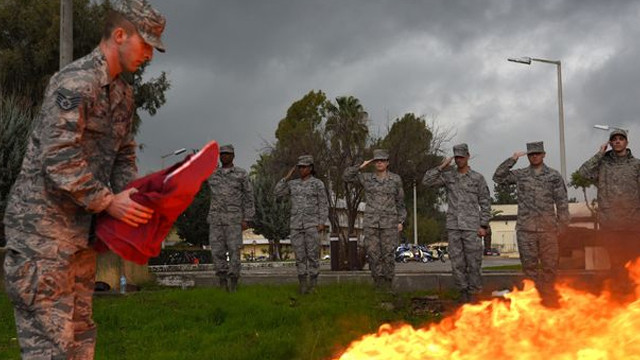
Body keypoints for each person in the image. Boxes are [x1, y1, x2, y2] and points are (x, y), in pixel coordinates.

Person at [2, 1, 166, 358]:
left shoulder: (123, 96)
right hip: (42, 238)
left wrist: (130, 196)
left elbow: (122, 153)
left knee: (79, 343)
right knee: (51, 348)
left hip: (80, 238)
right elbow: (58, 157)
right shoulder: (75, 82)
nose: (150, 56)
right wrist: (109, 202)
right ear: (119, 35)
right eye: (146, 44)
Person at [493, 141, 569, 306]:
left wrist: (562, 226)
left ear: (543, 154)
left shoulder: (554, 176)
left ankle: (549, 301)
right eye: (531, 154)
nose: (534, 157)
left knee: (550, 268)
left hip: (548, 230)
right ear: (528, 156)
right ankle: (534, 303)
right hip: (526, 230)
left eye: (537, 153)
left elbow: (562, 202)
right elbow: (498, 177)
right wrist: (512, 160)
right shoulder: (521, 175)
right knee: (529, 269)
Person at [423, 143, 491, 303]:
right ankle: (463, 294)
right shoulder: (449, 177)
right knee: (457, 264)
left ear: (468, 156)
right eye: (457, 157)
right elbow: (427, 181)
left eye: (462, 157)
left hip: (472, 228)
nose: (460, 160)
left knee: (473, 263)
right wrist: (442, 166)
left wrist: (483, 225)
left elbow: (485, 202)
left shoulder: (477, 178)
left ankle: (475, 295)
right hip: (454, 227)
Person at [578, 129, 640, 298]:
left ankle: (633, 298)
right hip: (610, 224)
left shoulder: (636, 165)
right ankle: (619, 299)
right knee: (616, 264)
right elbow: (582, 173)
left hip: (633, 224)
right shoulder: (602, 165)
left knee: (634, 265)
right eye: (614, 139)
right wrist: (599, 154)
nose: (618, 141)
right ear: (610, 143)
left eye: (621, 139)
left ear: (627, 142)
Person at [343, 149, 406, 292]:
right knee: (373, 254)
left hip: (390, 224)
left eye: (382, 160)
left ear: (387, 163)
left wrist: (401, 221)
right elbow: (346, 177)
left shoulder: (395, 180)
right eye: (376, 160)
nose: (379, 163)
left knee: (388, 255)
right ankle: (378, 284)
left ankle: (388, 285)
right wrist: (360, 165)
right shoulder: (366, 178)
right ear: (373, 163)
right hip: (371, 223)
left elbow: (400, 202)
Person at [275, 155, 329, 294]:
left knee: (312, 256)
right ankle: (303, 285)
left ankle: (313, 285)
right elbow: (277, 193)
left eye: (304, 166)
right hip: (296, 226)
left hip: (312, 225)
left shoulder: (318, 184)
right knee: (300, 257)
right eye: (299, 167)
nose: (301, 169)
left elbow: (323, 203)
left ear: (311, 168)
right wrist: (286, 178)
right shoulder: (293, 184)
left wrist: (322, 221)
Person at [206, 144, 255, 292]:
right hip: (216, 220)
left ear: (233, 156)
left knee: (234, 251)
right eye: (222, 154)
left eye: (227, 154)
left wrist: (248, 218)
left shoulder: (241, 174)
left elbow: (249, 197)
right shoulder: (213, 174)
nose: (224, 156)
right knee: (216, 252)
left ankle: (233, 282)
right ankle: (222, 281)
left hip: (234, 220)